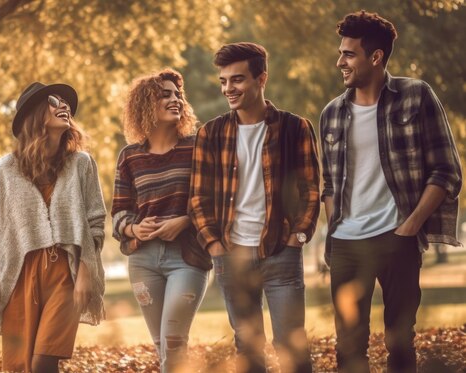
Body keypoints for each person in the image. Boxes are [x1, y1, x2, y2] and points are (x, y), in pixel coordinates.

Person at [320, 10, 462, 373]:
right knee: (348, 347)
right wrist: (334, 229)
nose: (340, 62)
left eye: (348, 54)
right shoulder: (332, 114)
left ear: (376, 56)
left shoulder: (416, 96)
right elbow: (330, 184)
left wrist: (409, 227)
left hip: (397, 239)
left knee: (400, 342)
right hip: (347, 245)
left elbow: (447, 171)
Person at [189, 42, 319, 373]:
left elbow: (311, 190)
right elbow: (198, 198)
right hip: (232, 256)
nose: (228, 89)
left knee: (291, 343)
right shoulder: (211, 134)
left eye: (237, 79)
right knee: (247, 348)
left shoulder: (295, 128)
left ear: (262, 79)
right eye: (223, 81)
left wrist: (298, 237)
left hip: (281, 252)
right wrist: (216, 247)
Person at [0, 82, 107, 373]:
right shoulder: (6, 168)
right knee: (21, 366)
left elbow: (95, 224)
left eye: (65, 102)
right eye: (53, 100)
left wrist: (85, 274)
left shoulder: (82, 164)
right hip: (19, 275)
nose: (64, 106)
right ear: (33, 115)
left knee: (43, 362)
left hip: (65, 274)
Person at [111, 68, 211, 372]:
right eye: (164, 94)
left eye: (177, 94)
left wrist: (184, 220)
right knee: (161, 344)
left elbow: (214, 201)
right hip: (143, 260)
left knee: (173, 341)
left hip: (187, 257)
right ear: (145, 104)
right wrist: (133, 227)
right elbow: (118, 213)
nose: (175, 99)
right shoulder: (130, 157)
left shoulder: (197, 148)